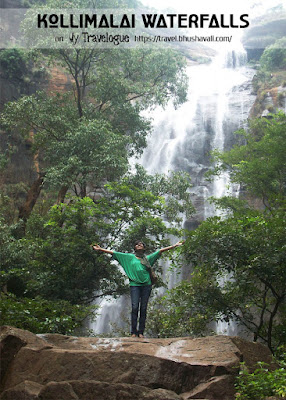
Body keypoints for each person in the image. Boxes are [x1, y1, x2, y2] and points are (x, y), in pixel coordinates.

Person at [92, 240, 184, 338]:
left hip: (146, 285)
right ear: (134, 248)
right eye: (137, 244)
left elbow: (160, 251)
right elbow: (114, 253)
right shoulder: (128, 258)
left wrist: (175, 245)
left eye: (141, 244)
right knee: (135, 307)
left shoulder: (148, 259)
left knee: (143, 308)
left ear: (144, 249)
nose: (139, 245)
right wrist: (100, 249)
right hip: (135, 285)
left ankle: (141, 332)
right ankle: (133, 332)